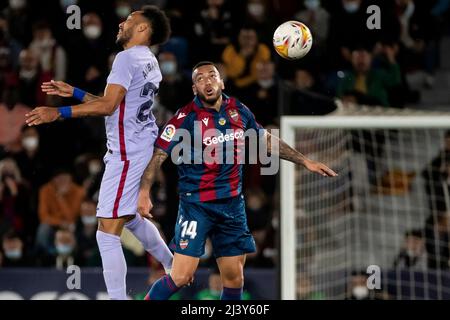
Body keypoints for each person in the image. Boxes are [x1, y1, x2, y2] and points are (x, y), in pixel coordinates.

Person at [138, 61, 337, 300]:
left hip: (231, 205)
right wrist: (144, 192)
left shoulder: (239, 110)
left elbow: (265, 140)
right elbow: (158, 154)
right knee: (181, 276)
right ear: (194, 89)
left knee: (234, 278)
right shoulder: (185, 118)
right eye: (200, 79)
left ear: (221, 82)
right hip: (196, 206)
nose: (207, 81)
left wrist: (305, 161)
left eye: (212, 76)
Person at [24, 6, 174, 300]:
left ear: (143, 29)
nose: (122, 22)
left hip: (128, 152)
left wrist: (59, 113)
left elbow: (107, 107)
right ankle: (174, 265)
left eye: (130, 20)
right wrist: (77, 93)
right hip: (141, 144)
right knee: (128, 218)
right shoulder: (149, 61)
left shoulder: (125, 58)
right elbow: (118, 106)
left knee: (106, 232)